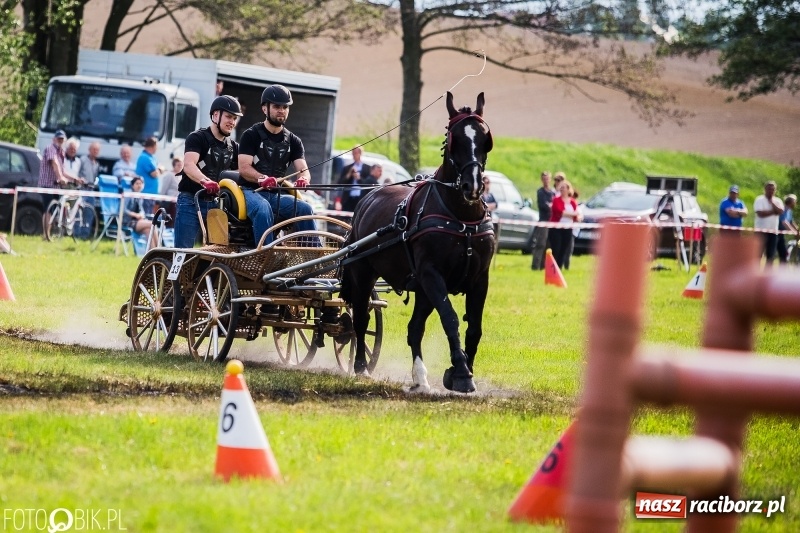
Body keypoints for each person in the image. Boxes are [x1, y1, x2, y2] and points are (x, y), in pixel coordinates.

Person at [237, 84, 318, 246]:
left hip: (276, 195)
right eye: (276, 106)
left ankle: (313, 258)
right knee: (263, 208)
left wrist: (304, 179)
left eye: (285, 107)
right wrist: (261, 178)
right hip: (250, 192)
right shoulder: (250, 135)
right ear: (265, 109)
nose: (281, 110)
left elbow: (304, 170)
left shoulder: (294, 141)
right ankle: (266, 255)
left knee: (305, 209)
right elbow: (244, 168)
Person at [174, 95, 242, 248]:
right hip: (191, 201)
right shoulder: (197, 138)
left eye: (235, 118)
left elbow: (241, 173)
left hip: (218, 206)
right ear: (215, 115)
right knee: (183, 252)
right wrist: (205, 181)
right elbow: (189, 165)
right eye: (229, 117)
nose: (232, 122)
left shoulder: (235, 148)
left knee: (218, 254)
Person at [549, 178, 581, 269]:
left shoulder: (572, 202)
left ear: (568, 189)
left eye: (564, 187)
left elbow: (577, 215)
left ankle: (559, 268)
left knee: (564, 249)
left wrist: (576, 216)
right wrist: (573, 214)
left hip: (568, 229)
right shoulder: (556, 200)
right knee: (556, 249)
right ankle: (553, 268)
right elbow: (559, 212)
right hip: (556, 228)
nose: (562, 189)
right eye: (561, 187)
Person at [753, 180, 785, 267]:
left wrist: (772, 203)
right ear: (765, 189)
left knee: (770, 255)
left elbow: (781, 211)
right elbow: (760, 214)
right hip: (761, 230)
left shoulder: (778, 201)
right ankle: (756, 274)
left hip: (773, 231)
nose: (771, 191)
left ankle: (767, 276)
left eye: (773, 189)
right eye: (769, 189)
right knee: (757, 254)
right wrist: (774, 211)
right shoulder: (759, 199)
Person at [124, 176, 157, 249]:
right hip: (129, 222)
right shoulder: (128, 194)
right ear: (132, 185)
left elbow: (142, 210)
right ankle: (160, 249)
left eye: (141, 183)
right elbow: (123, 210)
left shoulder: (140, 196)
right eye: (137, 183)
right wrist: (136, 215)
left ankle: (153, 253)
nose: (139, 185)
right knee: (152, 224)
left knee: (148, 231)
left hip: (139, 221)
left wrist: (141, 214)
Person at [335, 147, 371, 211]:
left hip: (361, 199)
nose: (353, 155)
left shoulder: (367, 168)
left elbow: (368, 184)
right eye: (353, 153)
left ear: (360, 153)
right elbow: (340, 183)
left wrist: (358, 178)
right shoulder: (347, 168)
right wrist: (348, 174)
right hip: (348, 198)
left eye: (355, 153)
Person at [532, 171, 555, 270]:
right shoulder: (540, 192)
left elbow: (553, 205)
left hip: (552, 221)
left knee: (549, 245)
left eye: (548, 178)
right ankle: (535, 265)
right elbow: (543, 205)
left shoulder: (552, 192)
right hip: (543, 220)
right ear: (542, 180)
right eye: (544, 179)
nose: (546, 181)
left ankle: (544, 265)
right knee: (540, 244)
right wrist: (551, 206)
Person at [159, 156, 183, 228]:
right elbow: (164, 188)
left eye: (181, 165)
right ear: (174, 165)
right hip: (169, 203)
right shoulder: (169, 175)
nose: (180, 166)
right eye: (178, 165)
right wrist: (160, 200)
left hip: (178, 202)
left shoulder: (181, 176)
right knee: (170, 220)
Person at [777, 194, 797, 263]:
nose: (795, 203)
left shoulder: (789, 211)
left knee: (783, 254)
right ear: (791, 202)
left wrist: (797, 231)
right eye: (795, 201)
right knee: (781, 252)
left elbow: (791, 222)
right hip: (776, 233)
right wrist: (793, 232)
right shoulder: (784, 209)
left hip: (781, 234)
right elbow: (784, 222)